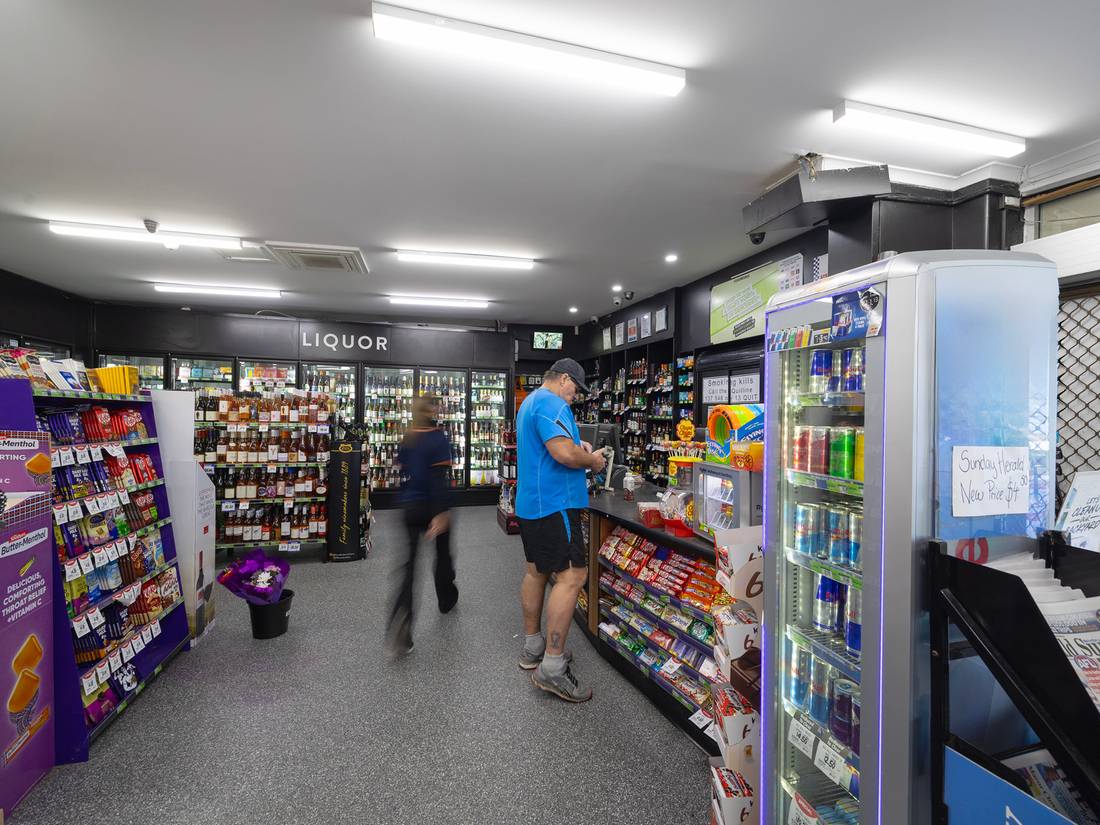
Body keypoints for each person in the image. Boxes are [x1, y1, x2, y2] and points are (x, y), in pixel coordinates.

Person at [515, 357, 606, 702]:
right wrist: (592, 460)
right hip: (555, 504)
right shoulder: (552, 403)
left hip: (531, 502)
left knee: (536, 572)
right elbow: (564, 454)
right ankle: (552, 668)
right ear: (564, 379)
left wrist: (577, 448)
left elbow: (553, 447)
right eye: (576, 389)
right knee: (572, 577)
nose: (575, 396)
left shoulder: (531, 403)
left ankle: (533, 647)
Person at [386, 394, 459, 654]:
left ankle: (403, 621)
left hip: (409, 506)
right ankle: (447, 599)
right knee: (443, 556)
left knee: (409, 567)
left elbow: (404, 472)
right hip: (433, 507)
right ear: (431, 410)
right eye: (436, 406)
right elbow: (438, 479)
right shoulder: (438, 438)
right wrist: (441, 513)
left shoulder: (408, 438)